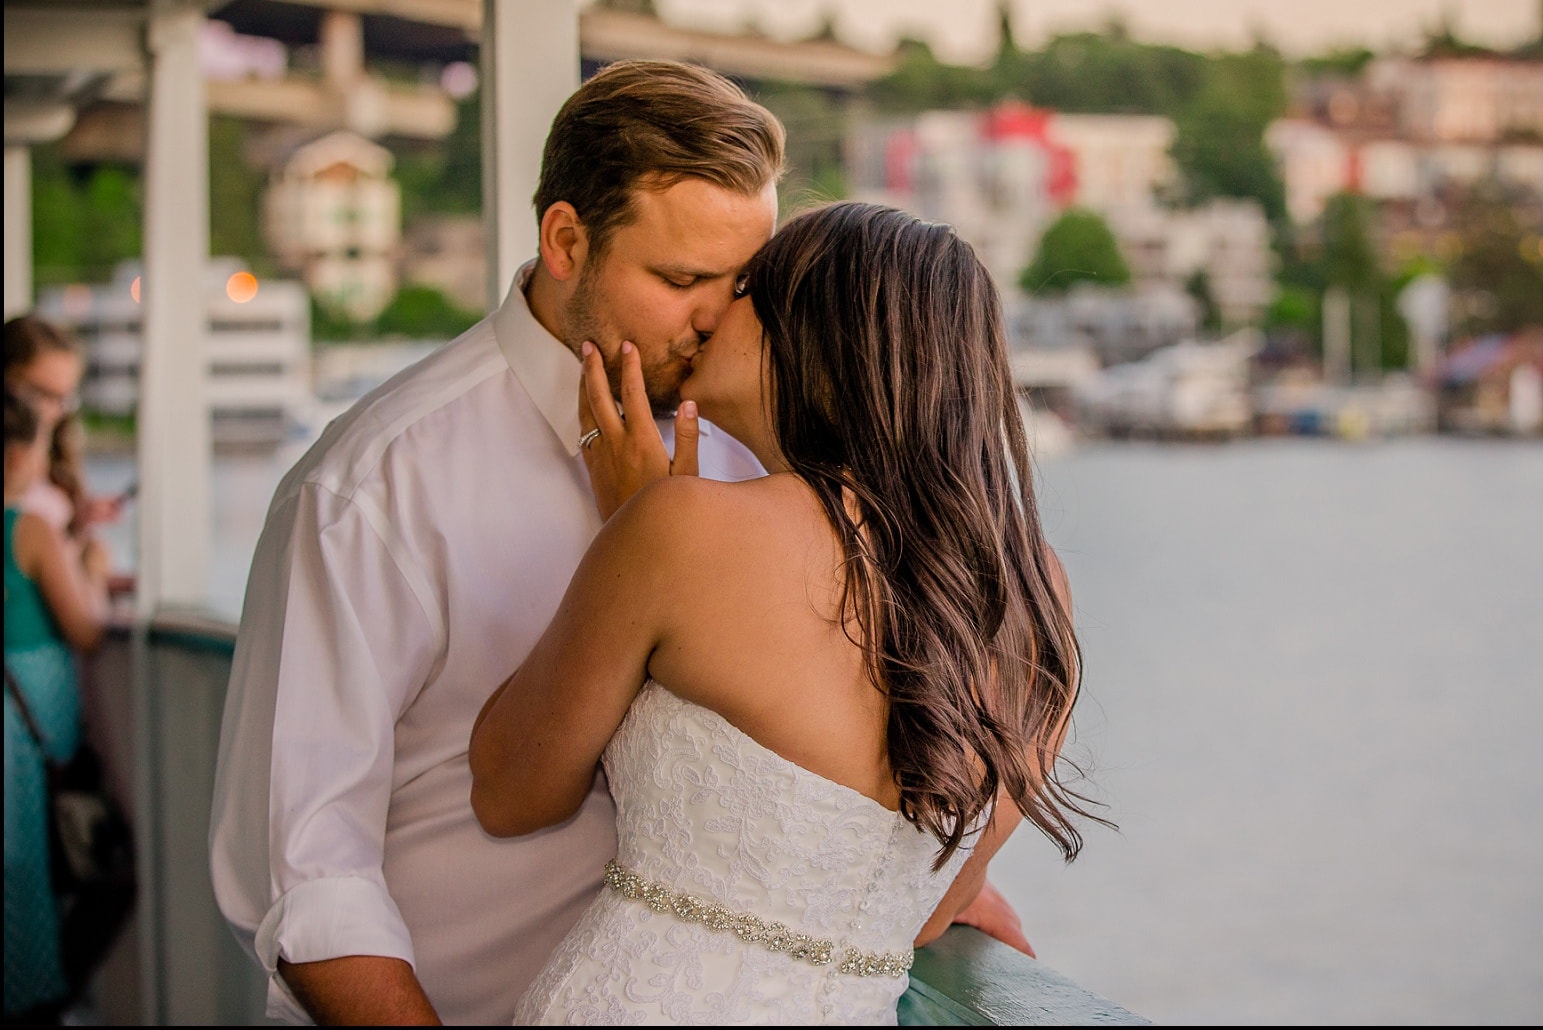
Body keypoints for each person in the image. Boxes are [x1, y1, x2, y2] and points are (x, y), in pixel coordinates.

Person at [211, 60, 1018, 1027]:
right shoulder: (371, 487)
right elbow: (309, 872)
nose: (714, 317)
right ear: (564, 240)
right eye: (680, 279)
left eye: (742, 282)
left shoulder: (758, 449)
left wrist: (896, 873)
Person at [470, 202, 1096, 1024]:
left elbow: (512, 792)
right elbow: (933, 907)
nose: (709, 311)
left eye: (743, 288)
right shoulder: (1032, 588)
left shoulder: (682, 529)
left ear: (807, 336)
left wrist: (630, 527)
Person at [4, 387, 113, 1024]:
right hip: (24, 733)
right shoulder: (29, 526)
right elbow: (87, 630)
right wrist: (93, 566)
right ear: (20, 452)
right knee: (30, 877)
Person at [1, 316, 126, 555]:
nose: (52, 411)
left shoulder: (57, 460)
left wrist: (77, 525)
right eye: (39, 393)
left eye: (63, 399)